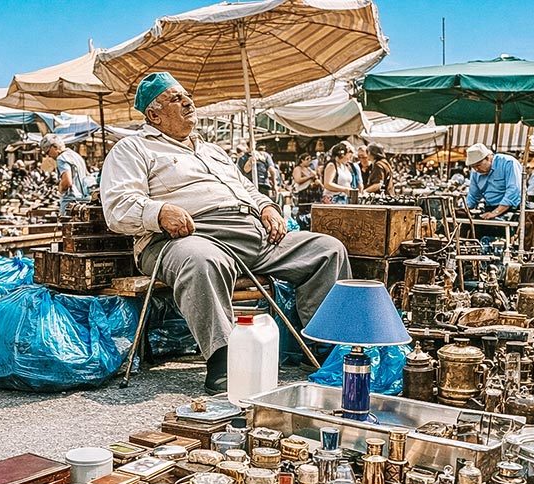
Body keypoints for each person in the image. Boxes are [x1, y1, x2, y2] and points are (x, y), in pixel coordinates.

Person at [100, 71, 350, 394]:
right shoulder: (133, 149)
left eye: (186, 95)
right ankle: (223, 360)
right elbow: (117, 206)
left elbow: (245, 188)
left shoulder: (213, 150)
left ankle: (321, 346)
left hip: (250, 231)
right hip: (185, 235)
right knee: (200, 260)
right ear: (154, 114)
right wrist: (159, 212)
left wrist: (266, 207)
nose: (188, 102)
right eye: (176, 98)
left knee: (328, 250)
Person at [464, 143, 522, 220]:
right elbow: (473, 194)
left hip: (512, 208)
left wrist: (495, 213)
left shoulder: (508, 162)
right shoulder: (475, 171)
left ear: (488, 158)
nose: (476, 169)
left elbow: (513, 191)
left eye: (478, 165)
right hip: (490, 207)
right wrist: (466, 209)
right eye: (473, 167)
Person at [39, 133, 91, 215]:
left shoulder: (61, 158)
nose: (48, 155)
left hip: (71, 203)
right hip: (83, 200)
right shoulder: (75, 155)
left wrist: (60, 189)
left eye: (48, 152)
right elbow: (87, 174)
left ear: (54, 147)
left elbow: (67, 182)